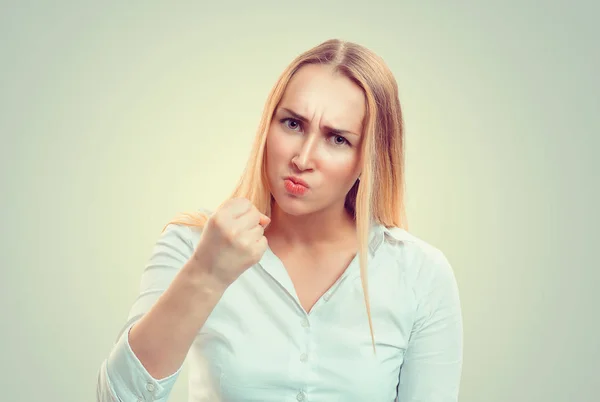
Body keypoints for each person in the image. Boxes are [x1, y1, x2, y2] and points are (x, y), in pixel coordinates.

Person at [96, 38, 463, 402]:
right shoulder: (191, 244)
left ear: (369, 159)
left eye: (337, 139)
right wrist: (205, 275)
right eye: (292, 124)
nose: (302, 158)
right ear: (267, 127)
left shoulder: (420, 274)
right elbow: (118, 398)